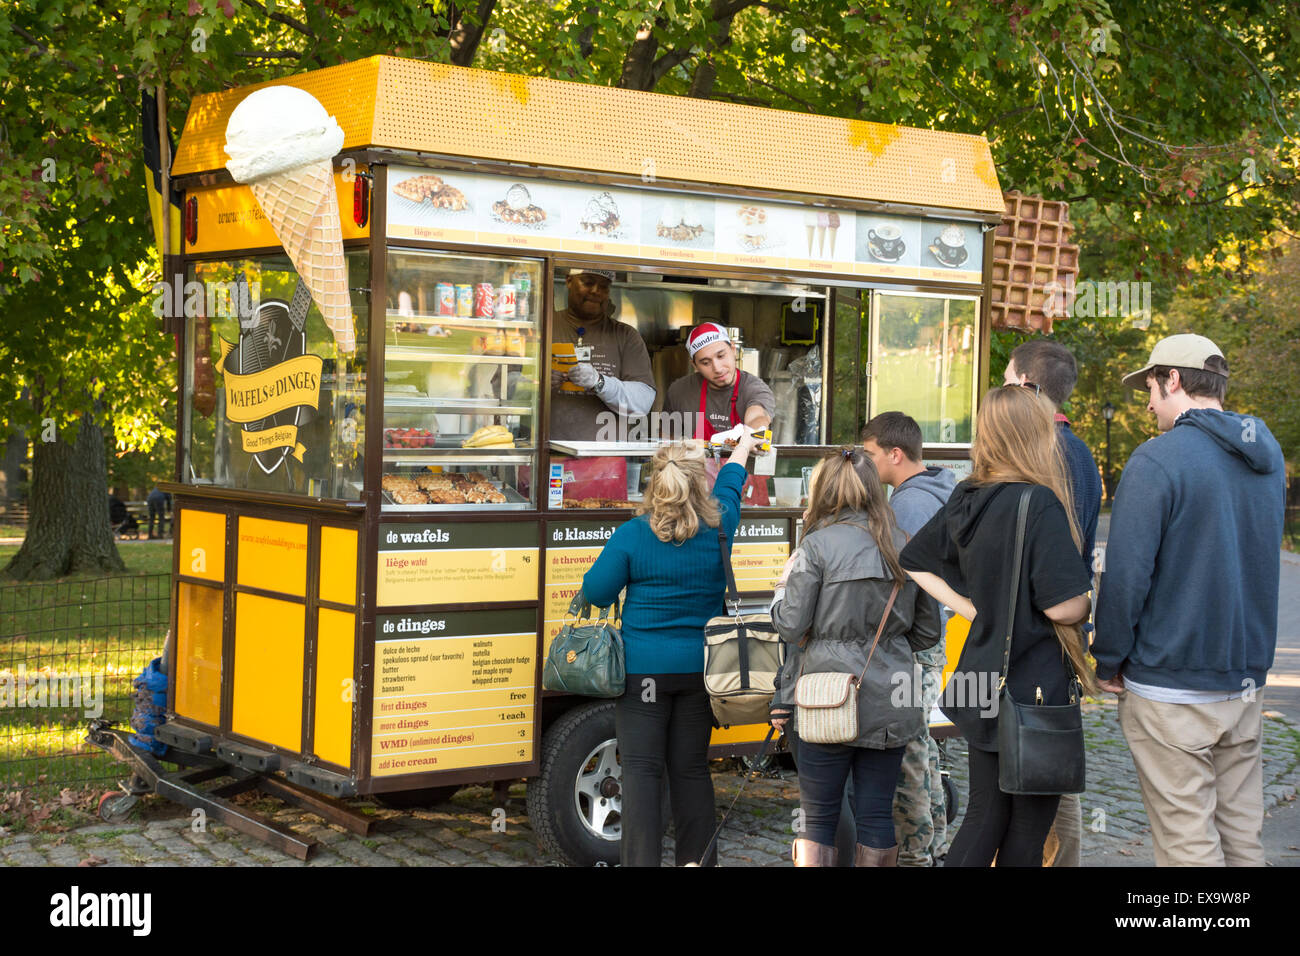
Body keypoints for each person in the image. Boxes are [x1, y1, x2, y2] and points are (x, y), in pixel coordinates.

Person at [1093, 334, 1285, 867]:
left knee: (1188, 843)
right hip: (1242, 681)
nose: (1149, 403)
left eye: (1150, 387)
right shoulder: (1265, 460)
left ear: (1173, 379)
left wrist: (1108, 658)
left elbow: (1127, 576)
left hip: (1170, 684)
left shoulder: (1157, 460)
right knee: (1242, 835)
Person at [900, 386, 1095, 867]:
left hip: (981, 675)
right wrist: (1090, 599)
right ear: (1035, 434)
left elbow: (913, 560)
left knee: (985, 816)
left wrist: (973, 610)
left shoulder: (969, 496)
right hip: (1033, 686)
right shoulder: (1040, 502)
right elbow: (1062, 607)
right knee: (1026, 830)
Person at [581, 432, 759, 866]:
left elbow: (596, 593)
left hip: (644, 677)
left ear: (654, 482)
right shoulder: (721, 528)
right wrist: (742, 447)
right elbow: (732, 484)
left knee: (641, 775)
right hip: (700, 672)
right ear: (701, 483)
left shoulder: (632, 535)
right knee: (691, 771)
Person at [769, 448, 942, 867]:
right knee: (876, 813)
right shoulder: (903, 544)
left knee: (818, 816)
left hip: (823, 695)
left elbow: (790, 626)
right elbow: (927, 632)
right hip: (890, 698)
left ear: (825, 490)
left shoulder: (815, 545)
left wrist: (780, 595)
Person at [1003, 339, 1102, 867]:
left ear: (1026, 387)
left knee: (1041, 771)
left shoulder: (1043, 452)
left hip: (1042, 633)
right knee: (1052, 764)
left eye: (1005, 382)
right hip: (1062, 634)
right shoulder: (1079, 452)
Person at [861, 411, 957, 867]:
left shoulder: (910, 505)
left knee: (907, 752)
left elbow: (897, 580)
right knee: (921, 746)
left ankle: (916, 854)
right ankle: (933, 844)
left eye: (870, 455)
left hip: (913, 644)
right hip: (929, 638)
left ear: (894, 454)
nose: (865, 464)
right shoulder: (937, 489)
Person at [549, 268, 656, 442]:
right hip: (547, 456)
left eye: (604, 286)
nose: (596, 291)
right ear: (569, 281)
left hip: (606, 461)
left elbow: (643, 403)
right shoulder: (544, 327)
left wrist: (599, 382)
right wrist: (539, 384)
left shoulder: (625, 335)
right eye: (588, 282)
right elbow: (507, 388)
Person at [662, 323, 774, 440]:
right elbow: (667, 439)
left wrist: (752, 436)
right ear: (694, 365)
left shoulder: (755, 389)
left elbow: (757, 418)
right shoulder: (678, 391)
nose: (718, 369)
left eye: (721, 356)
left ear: (733, 349)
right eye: (706, 363)